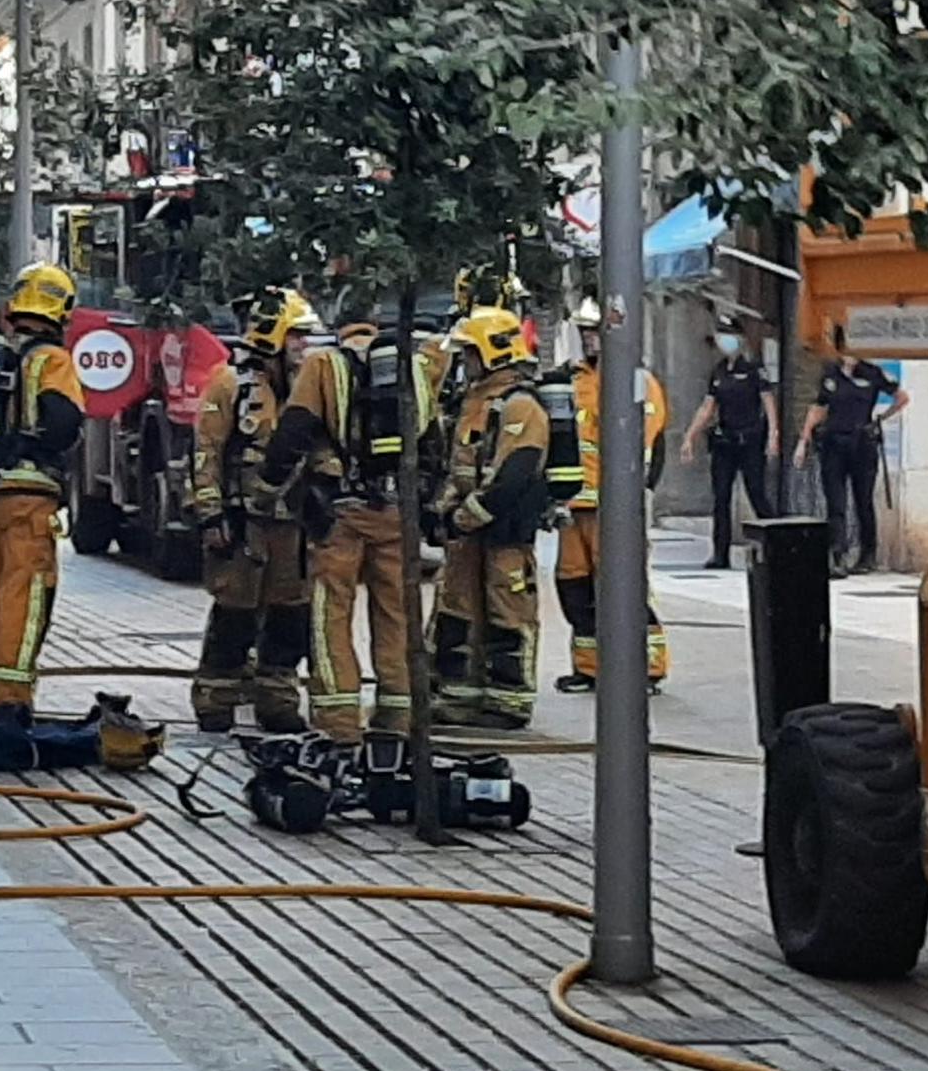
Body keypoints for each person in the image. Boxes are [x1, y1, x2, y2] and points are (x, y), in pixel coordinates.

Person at [255, 303, 436, 747]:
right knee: (396, 613)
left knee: (330, 614)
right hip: (396, 512)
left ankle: (339, 721)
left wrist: (268, 484)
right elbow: (433, 440)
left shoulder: (324, 367)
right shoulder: (412, 369)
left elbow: (293, 431)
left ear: (339, 330)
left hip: (339, 514)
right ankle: (397, 717)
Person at [0, 263, 87, 722]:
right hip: (27, 500)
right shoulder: (52, 361)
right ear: (61, 309)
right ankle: (9, 703)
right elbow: (63, 426)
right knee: (24, 603)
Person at [190, 287, 318, 734]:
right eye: (297, 337)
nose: (304, 347)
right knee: (234, 615)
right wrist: (210, 515)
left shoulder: (308, 388)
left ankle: (278, 703)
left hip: (294, 527)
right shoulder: (229, 384)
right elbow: (206, 452)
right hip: (243, 527)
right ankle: (215, 701)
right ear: (273, 336)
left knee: (290, 618)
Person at [428, 305, 549, 729]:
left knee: (507, 612)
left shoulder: (520, 404)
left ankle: (509, 703)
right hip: (468, 533)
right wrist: (443, 513)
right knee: (459, 610)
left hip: (503, 532)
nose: (465, 363)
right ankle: (460, 696)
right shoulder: (474, 401)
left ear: (492, 352)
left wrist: (465, 516)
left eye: (469, 353)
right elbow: (458, 465)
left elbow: (513, 473)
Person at [551, 298, 670, 694]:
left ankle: (647, 668)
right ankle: (589, 668)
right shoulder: (575, 379)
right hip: (573, 507)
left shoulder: (636, 380)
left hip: (614, 508)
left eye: (594, 331)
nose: (589, 339)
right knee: (575, 589)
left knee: (622, 587)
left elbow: (644, 443)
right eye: (584, 332)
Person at [793, 323, 908, 576]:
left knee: (863, 501)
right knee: (836, 501)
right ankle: (838, 555)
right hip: (834, 443)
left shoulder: (873, 373)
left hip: (862, 443)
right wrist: (804, 440)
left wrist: (880, 419)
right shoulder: (831, 374)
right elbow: (819, 407)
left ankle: (867, 555)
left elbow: (902, 397)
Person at [680, 321, 781, 568]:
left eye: (729, 336)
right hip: (725, 442)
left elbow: (768, 402)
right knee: (721, 499)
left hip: (750, 441)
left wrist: (773, 435)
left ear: (740, 338)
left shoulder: (754, 369)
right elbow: (708, 407)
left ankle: (777, 549)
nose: (724, 341)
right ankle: (720, 553)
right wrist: (690, 436)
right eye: (720, 336)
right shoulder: (719, 371)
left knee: (757, 494)